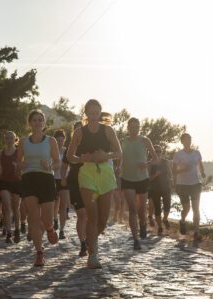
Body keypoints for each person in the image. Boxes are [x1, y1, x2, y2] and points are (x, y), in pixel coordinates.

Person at [67, 99, 121, 268]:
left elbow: (119, 153)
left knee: (103, 220)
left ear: (100, 113)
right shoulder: (79, 132)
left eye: (96, 113)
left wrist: (106, 155)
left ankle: (91, 243)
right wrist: (82, 158)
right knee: (92, 216)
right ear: (86, 114)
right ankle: (93, 256)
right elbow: (70, 156)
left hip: (105, 173)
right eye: (90, 113)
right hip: (87, 174)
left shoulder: (108, 130)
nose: (93, 116)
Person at [16, 109, 60, 267]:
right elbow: (18, 163)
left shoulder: (51, 141)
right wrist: (21, 165)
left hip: (46, 179)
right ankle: (39, 253)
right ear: (30, 123)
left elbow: (57, 162)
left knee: (46, 219)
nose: (37, 122)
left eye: (40, 120)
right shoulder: (23, 141)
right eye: (34, 120)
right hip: (29, 179)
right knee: (33, 218)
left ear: (44, 123)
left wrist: (49, 165)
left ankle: (49, 229)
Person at [120, 117, 158, 250]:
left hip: (142, 179)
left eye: (137, 127)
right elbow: (120, 158)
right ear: (128, 128)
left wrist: (146, 164)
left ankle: (143, 223)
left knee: (141, 209)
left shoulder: (145, 140)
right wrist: (118, 167)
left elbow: (155, 159)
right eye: (132, 127)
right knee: (132, 209)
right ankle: (135, 239)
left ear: (139, 128)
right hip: (127, 179)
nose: (134, 129)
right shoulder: (122, 142)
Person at [172, 133, 206, 239]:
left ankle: (196, 232)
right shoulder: (178, 155)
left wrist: (203, 173)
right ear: (182, 141)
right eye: (186, 140)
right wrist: (183, 170)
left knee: (196, 208)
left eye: (190, 139)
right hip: (182, 185)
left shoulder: (197, 153)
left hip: (195, 184)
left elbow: (200, 165)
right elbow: (173, 170)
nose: (188, 141)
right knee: (187, 208)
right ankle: (182, 221)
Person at [62, 121, 88, 256]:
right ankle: (83, 243)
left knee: (90, 214)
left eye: (81, 129)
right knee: (82, 214)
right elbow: (64, 165)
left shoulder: (89, 145)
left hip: (90, 181)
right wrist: (63, 178)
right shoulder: (70, 148)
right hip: (75, 182)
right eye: (76, 129)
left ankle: (90, 238)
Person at [0, 131, 22, 243]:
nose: (9, 140)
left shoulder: (19, 153)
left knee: (16, 208)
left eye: (11, 138)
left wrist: (18, 167)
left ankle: (17, 230)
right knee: (6, 207)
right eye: (7, 138)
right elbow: (0, 170)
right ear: (4, 139)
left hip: (16, 181)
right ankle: (8, 232)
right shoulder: (0, 154)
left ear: (15, 139)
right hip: (4, 182)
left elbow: (24, 167)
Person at [148, 145, 172, 235]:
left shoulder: (166, 162)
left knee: (167, 206)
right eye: (156, 151)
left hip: (166, 188)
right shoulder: (150, 164)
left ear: (161, 152)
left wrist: (171, 181)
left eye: (159, 151)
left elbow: (170, 174)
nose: (158, 153)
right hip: (155, 189)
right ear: (152, 153)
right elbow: (148, 178)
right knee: (157, 209)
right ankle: (160, 228)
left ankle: (165, 219)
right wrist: (156, 175)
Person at [53, 129, 70, 239]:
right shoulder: (51, 151)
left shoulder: (67, 151)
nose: (60, 142)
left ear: (64, 140)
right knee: (55, 204)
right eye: (58, 140)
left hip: (64, 180)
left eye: (61, 140)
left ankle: (62, 230)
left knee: (63, 205)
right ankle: (55, 219)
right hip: (53, 179)